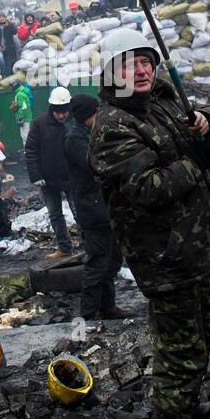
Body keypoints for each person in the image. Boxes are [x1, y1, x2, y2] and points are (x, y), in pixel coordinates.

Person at [88, 28, 210, 419]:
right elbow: (146, 189)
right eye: (130, 64)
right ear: (112, 74)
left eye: (146, 61)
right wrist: (195, 162)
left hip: (198, 251)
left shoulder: (164, 99)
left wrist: (207, 121)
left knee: (206, 334)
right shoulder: (113, 127)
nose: (142, 69)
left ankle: (185, 407)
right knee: (180, 354)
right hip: (167, 260)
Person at [63, 92, 131, 320]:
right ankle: (89, 313)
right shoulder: (75, 139)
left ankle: (107, 306)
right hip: (92, 210)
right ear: (87, 116)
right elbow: (95, 165)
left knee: (112, 261)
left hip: (106, 206)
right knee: (98, 262)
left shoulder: (91, 133)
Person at [24, 86, 77, 258]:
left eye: (64, 112)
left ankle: (90, 245)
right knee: (55, 215)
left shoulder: (75, 122)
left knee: (80, 212)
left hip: (71, 178)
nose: (62, 116)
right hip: (48, 180)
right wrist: (36, 177)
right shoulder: (39, 124)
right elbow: (31, 150)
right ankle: (64, 248)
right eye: (58, 112)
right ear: (51, 109)